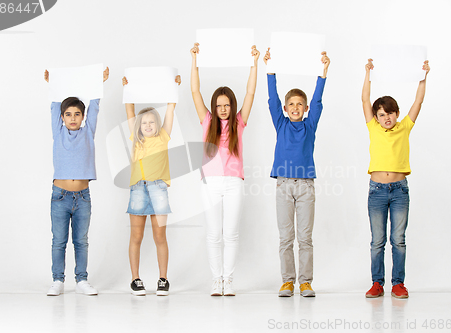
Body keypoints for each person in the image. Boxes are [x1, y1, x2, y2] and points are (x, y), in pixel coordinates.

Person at [190, 42, 259, 296]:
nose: (222, 109)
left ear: (232, 105)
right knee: (213, 234)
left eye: (226, 104)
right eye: (218, 105)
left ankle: (228, 280)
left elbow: (250, 93)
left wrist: (254, 63)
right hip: (209, 183)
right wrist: (195, 60)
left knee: (230, 233)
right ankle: (216, 279)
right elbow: (195, 91)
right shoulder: (207, 121)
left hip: (233, 183)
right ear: (214, 106)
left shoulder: (239, 122)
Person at [362, 58, 430, 299]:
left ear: (397, 114)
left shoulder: (404, 127)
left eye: (390, 113)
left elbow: (418, 101)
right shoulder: (373, 127)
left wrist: (423, 76)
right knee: (377, 241)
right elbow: (364, 100)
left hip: (400, 190)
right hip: (377, 190)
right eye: (382, 114)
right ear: (376, 117)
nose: (387, 117)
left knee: (398, 240)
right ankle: (377, 283)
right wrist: (368, 73)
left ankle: (398, 283)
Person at [264, 48, 330, 297]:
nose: (295, 107)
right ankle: (287, 281)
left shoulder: (309, 125)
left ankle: (305, 282)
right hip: (283, 185)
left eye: (299, 104)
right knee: (285, 238)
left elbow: (318, 101)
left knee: (305, 238)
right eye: (291, 104)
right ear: (285, 107)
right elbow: (271, 99)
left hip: (305, 187)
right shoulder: (280, 123)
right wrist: (270, 69)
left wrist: (322, 72)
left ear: (304, 108)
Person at [45, 67, 109, 296]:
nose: (73, 118)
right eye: (68, 114)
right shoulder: (58, 132)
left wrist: (98, 83)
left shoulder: (88, 131)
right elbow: (54, 105)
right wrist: (52, 85)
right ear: (62, 118)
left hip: (82, 197)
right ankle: (57, 280)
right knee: (59, 241)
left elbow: (95, 106)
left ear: (82, 117)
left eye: (77, 114)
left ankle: (81, 279)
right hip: (60, 196)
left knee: (81, 241)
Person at [123, 75, 181, 296]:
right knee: (136, 237)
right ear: (139, 126)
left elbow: (170, 109)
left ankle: (163, 279)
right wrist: (127, 88)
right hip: (138, 189)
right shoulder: (136, 139)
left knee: (159, 237)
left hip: (158, 190)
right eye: (144, 122)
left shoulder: (163, 136)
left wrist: (174, 85)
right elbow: (129, 111)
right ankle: (135, 279)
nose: (148, 125)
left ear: (157, 125)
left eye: (151, 122)